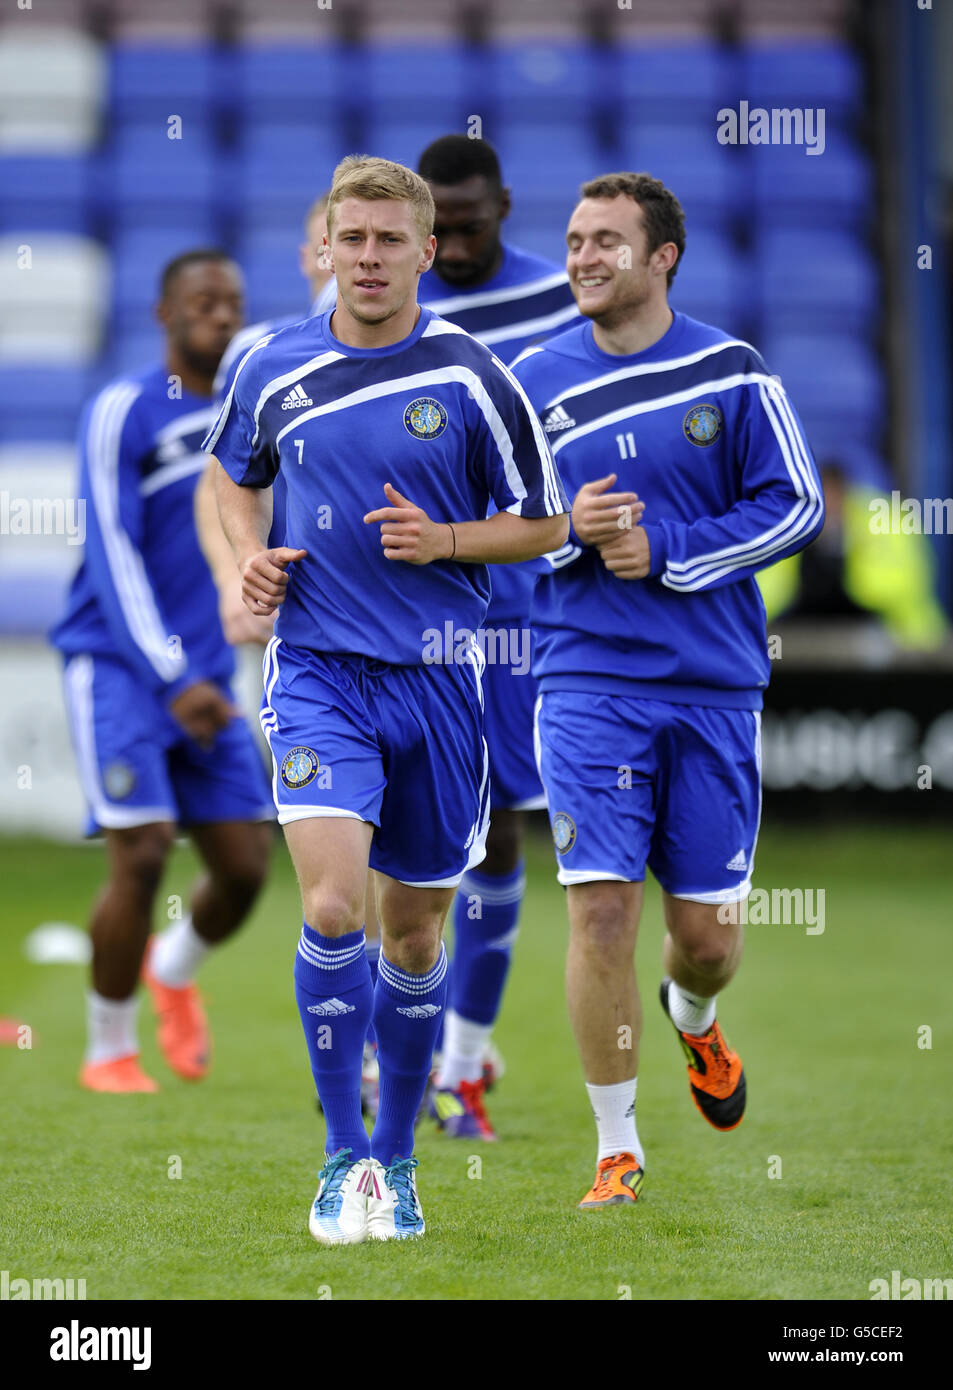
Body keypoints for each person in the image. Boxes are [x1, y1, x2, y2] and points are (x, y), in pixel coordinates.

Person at [204, 156, 568, 1245]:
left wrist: (446, 539)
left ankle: (399, 1162)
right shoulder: (272, 363)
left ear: (425, 250)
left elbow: (546, 522)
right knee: (327, 909)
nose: (367, 258)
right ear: (330, 246)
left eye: (387, 241)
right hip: (318, 674)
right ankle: (337, 1159)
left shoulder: (472, 376)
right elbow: (229, 476)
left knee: (411, 940)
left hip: (444, 684)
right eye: (349, 239)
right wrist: (244, 561)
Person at [511, 172, 824, 1208]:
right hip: (584, 678)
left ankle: (693, 1022)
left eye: (605, 240)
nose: (582, 258)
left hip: (712, 686)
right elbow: (497, 540)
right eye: (570, 240)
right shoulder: (532, 386)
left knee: (706, 944)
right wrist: (571, 537)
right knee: (599, 910)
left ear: (662, 258)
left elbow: (795, 507)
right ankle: (615, 1146)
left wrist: (670, 548)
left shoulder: (730, 373)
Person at [50, 250, 274, 1094]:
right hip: (118, 668)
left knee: (247, 867)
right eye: (203, 303)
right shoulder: (124, 409)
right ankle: (109, 1048)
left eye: (233, 303)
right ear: (164, 314)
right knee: (142, 853)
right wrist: (170, 673)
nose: (220, 317)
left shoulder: (254, 415)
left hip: (207, 676)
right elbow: (110, 552)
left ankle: (172, 972)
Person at [413, 133, 578, 1139]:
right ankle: (410, 1036)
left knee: (499, 831)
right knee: (400, 843)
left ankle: (459, 1065)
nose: (456, 241)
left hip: (519, 610)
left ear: (504, 205)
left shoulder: (564, 299)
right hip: (405, 608)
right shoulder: (383, 297)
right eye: (442, 226)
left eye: (471, 223)